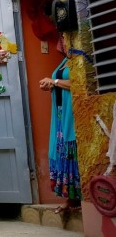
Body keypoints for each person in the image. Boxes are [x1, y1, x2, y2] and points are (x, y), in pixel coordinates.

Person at [38, 38, 80, 214]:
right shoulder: (65, 61)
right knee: (64, 154)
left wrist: (54, 82)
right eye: (61, 38)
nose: (62, 42)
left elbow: (78, 84)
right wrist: (50, 85)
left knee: (73, 154)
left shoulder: (80, 60)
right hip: (61, 114)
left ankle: (80, 199)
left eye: (65, 38)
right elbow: (62, 84)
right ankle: (71, 199)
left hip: (75, 115)